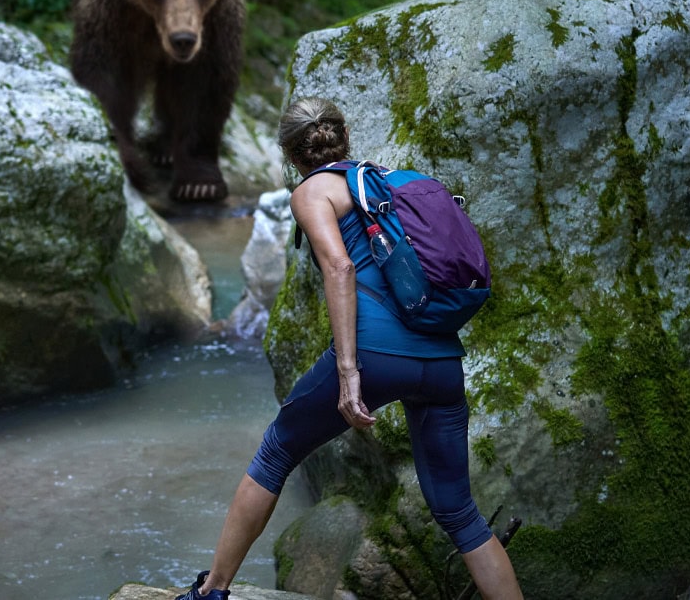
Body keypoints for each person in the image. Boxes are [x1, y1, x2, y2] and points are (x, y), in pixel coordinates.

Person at [175, 97, 523, 600]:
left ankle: (212, 591)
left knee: (276, 451)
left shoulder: (312, 192)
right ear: (342, 136)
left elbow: (340, 268)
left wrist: (348, 370)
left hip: (377, 354)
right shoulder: (382, 183)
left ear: (292, 155)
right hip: (442, 361)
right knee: (459, 512)